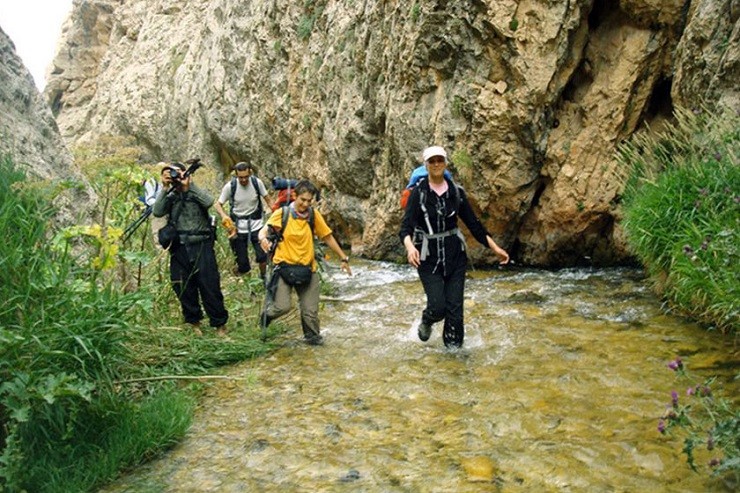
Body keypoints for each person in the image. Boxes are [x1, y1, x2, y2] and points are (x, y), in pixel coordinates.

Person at [399, 146, 509, 348]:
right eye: (432, 161)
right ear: (426, 165)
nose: (436, 164)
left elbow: (474, 224)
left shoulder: (456, 193)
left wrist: (495, 248)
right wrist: (410, 247)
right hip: (428, 258)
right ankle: (427, 320)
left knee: (455, 313)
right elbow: (405, 228)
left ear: (445, 163)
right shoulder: (418, 194)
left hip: (455, 258)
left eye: (439, 160)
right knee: (438, 307)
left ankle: (454, 358)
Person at [257, 180, 352, 345]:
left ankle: (313, 344)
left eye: (309, 201)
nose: (305, 204)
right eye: (303, 200)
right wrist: (263, 239)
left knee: (310, 313)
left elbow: (327, 237)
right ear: (295, 196)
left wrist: (343, 257)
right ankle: (266, 316)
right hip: (284, 268)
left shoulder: (314, 216)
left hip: (308, 269)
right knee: (282, 307)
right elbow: (263, 230)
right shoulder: (283, 213)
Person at [153, 162, 229, 336]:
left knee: (209, 285)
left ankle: (220, 325)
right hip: (179, 248)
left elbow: (209, 202)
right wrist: (164, 188)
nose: (175, 176)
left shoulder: (195, 193)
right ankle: (194, 323)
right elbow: (157, 212)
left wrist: (189, 186)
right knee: (182, 286)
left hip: (201, 244)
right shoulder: (170, 196)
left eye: (177, 172)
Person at [213, 162, 274, 279]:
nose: (244, 180)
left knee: (263, 256)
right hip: (238, 228)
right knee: (242, 263)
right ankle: (246, 280)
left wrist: (276, 215)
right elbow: (218, 205)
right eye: (241, 177)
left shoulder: (257, 183)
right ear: (236, 175)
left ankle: (263, 278)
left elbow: (268, 199)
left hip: (257, 226)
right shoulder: (230, 186)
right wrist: (224, 216)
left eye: (246, 177)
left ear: (250, 173)